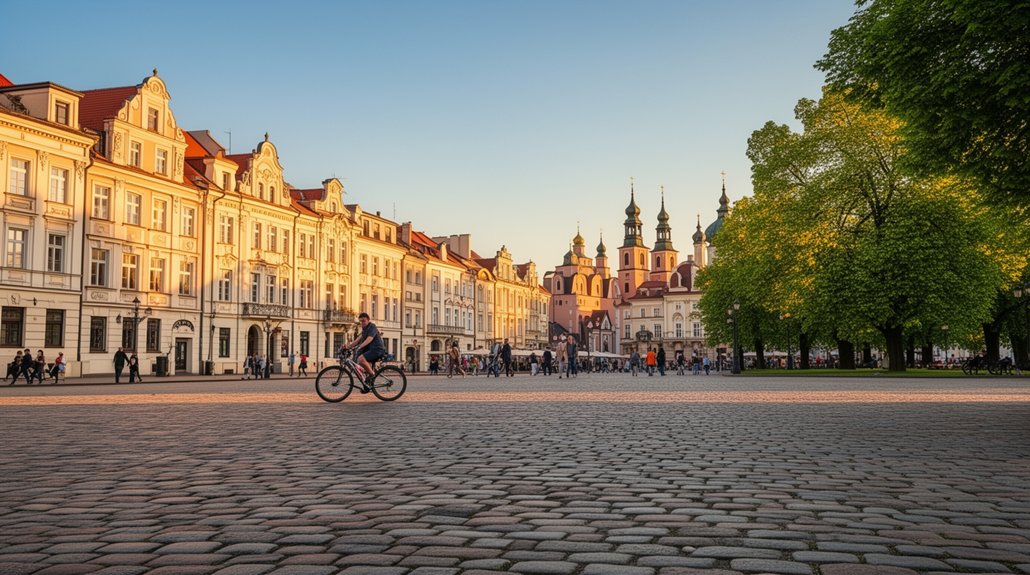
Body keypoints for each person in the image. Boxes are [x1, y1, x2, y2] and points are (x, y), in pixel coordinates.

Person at [344, 312, 387, 392]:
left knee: (361, 359)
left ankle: (372, 374)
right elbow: (358, 340)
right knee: (361, 364)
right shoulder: (364, 329)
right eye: (360, 321)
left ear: (368, 320)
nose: (362, 323)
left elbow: (369, 339)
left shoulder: (372, 327)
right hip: (371, 350)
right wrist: (348, 346)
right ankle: (367, 385)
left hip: (377, 350)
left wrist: (360, 347)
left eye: (363, 321)